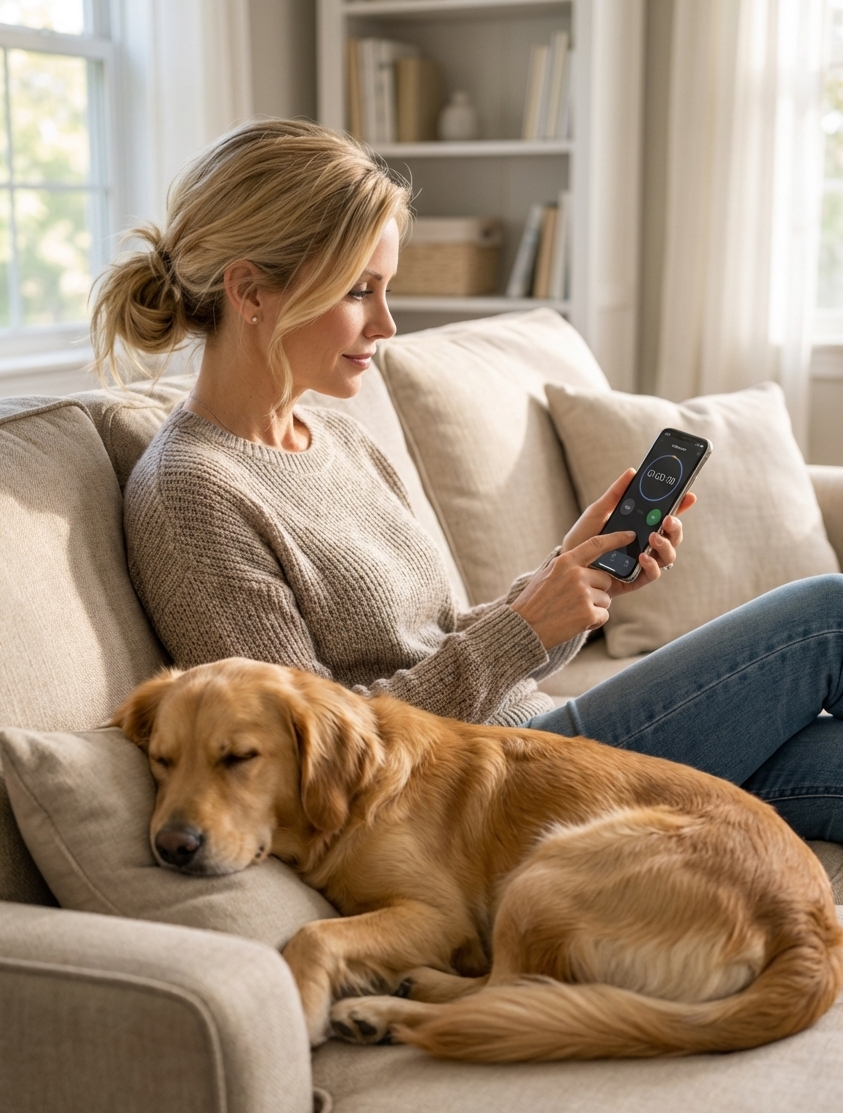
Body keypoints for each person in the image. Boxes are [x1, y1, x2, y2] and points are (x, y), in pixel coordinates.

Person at [93, 118, 843, 845]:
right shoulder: (192, 493)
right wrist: (524, 629)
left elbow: (443, 643)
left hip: (528, 744)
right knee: (826, 617)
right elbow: (314, 753)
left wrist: (565, 582)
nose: (386, 324)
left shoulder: (339, 438)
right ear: (250, 293)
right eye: (360, 291)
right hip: (483, 797)